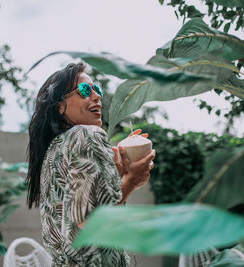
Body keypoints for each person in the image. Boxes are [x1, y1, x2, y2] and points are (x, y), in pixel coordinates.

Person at [26, 62, 156, 266]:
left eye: (97, 90)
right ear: (60, 105)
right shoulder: (87, 134)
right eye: (85, 90)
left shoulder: (54, 149)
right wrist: (130, 182)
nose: (96, 96)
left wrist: (120, 175)